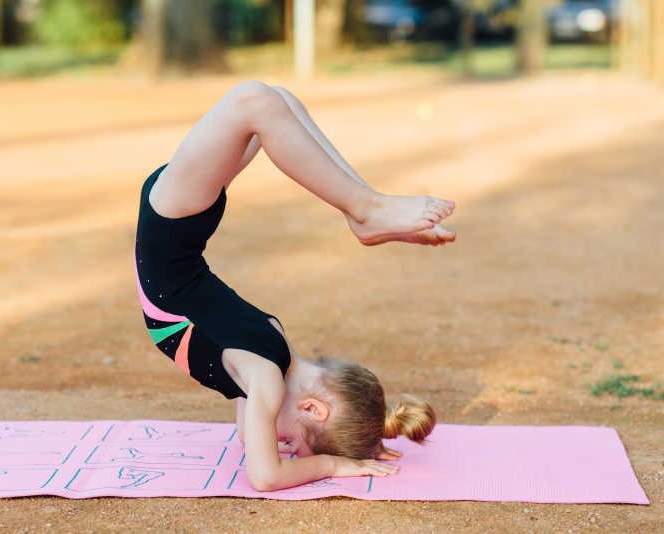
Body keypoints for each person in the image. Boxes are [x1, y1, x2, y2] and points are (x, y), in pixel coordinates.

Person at [134, 81, 455, 492]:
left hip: (178, 228)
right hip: (173, 227)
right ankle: (366, 210)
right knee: (267, 102)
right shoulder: (264, 377)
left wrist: (359, 438)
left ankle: (364, 211)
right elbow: (266, 475)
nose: (277, 443)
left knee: (268, 103)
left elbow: (256, 449)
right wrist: (332, 464)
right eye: (290, 441)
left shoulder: (274, 348)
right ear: (312, 408)